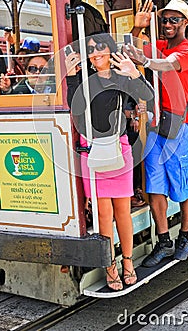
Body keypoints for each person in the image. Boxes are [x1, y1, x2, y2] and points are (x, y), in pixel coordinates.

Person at [65, 32, 154, 291]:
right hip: (93, 151)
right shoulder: (85, 81)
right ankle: (109, 265)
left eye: (101, 47)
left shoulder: (122, 77)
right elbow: (75, 108)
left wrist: (135, 73)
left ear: (111, 51)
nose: (96, 52)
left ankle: (128, 262)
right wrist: (71, 76)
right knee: (103, 214)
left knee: (122, 211)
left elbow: (148, 96)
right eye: (92, 48)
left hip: (119, 148)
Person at [127, 0, 188, 264]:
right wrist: (137, 29)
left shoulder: (187, 50)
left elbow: (165, 64)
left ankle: (183, 237)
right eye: (164, 20)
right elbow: (131, 50)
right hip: (157, 127)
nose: (168, 24)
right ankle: (163, 241)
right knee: (155, 186)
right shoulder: (159, 46)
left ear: (185, 22)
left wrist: (145, 60)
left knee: (182, 187)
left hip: (183, 127)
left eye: (174, 20)